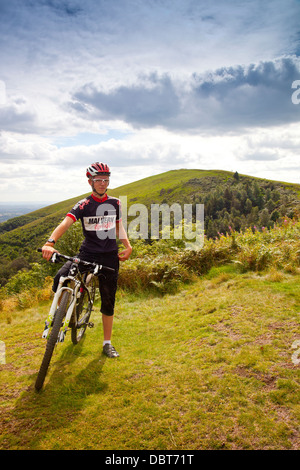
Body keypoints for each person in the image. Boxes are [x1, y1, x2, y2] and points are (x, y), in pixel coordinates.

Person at [41, 162, 132, 358]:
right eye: (98, 180)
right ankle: (60, 318)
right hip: (87, 253)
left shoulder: (115, 203)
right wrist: (50, 242)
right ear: (90, 181)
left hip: (109, 256)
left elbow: (118, 226)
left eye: (106, 180)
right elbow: (66, 222)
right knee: (60, 277)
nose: (102, 183)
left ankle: (107, 343)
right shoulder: (84, 204)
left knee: (108, 301)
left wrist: (127, 245)